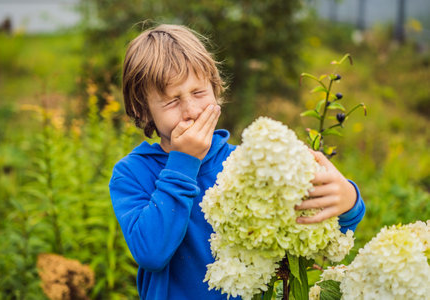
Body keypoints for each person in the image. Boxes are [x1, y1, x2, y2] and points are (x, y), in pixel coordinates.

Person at [109, 24, 365, 300]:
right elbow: (151, 253)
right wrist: (183, 163)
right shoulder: (132, 173)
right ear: (142, 109)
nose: (192, 111)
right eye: (172, 101)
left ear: (216, 88)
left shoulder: (245, 162)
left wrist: (349, 202)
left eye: (198, 93)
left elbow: (312, 231)